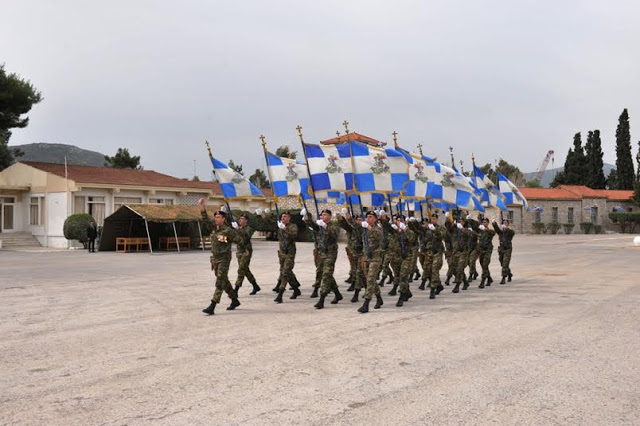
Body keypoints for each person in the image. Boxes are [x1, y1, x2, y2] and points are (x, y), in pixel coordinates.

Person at [200, 206, 241, 315]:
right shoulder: (214, 229)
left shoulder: (228, 231)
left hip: (224, 258)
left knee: (219, 281)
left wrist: (237, 230)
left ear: (223, 219)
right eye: (216, 217)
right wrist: (202, 208)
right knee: (224, 280)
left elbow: (240, 240)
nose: (216, 219)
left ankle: (212, 305)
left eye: (218, 217)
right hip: (215, 258)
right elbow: (205, 220)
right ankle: (234, 300)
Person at [306, 209, 342, 309]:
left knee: (326, 275)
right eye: (322, 215)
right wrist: (307, 217)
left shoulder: (333, 225)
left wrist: (325, 227)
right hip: (321, 253)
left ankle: (322, 299)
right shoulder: (319, 226)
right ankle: (337, 293)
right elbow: (312, 225)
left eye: (325, 215)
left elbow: (334, 235)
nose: (323, 216)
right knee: (324, 273)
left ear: (330, 216)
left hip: (331, 253)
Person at [357, 211, 384, 313]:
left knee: (370, 279)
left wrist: (369, 228)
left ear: (375, 219)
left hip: (375, 258)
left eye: (371, 217)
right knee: (370, 279)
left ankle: (366, 303)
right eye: (367, 217)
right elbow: (352, 225)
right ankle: (379, 298)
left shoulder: (378, 228)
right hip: (367, 258)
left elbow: (378, 236)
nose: (369, 219)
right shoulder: (364, 228)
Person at [337, 210, 365, 303]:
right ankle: (366, 288)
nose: (359, 221)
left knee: (359, 273)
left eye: (361, 220)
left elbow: (357, 226)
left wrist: (349, 218)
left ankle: (356, 293)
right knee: (358, 272)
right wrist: (340, 218)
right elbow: (345, 225)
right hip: (354, 253)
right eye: (357, 220)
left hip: (364, 255)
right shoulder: (353, 229)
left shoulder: (365, 228)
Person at [274, 211, 300, 303]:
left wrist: (285, 228)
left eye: (285, 216)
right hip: (282, 252)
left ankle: (280, 294)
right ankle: (296, 289)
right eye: (282, 216)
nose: (283, 218)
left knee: (285, 272)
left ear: (289, 218)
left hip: (290, 252)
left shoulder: (292, 226)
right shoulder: (280, 226)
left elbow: (293, 236)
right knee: (286, 271)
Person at [233, 214, 260, 296]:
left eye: (242, 219)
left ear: (246, 220)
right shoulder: (238, 228)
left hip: (246, 251)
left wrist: (238, 229)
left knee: (241, 270)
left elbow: (246, 236)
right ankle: (255, 286)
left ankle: (236, 290)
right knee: (245, 270)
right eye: (240, 219)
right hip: (239, 251)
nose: (240, 220)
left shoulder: (249, 228)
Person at [424, 212, 447, 299]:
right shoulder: (428, 228)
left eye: (434, 219)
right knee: (427, 270)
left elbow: (441, 236)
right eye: (432, 219)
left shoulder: (441, 228)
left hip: (438, 252)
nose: (433, 220)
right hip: (429, 252)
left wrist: (435, 230)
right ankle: (439, 285)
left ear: (437, 219)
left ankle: (432, 289)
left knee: (434, 270)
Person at [395, 215, 417, 307]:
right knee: (398, 276)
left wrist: (405, 229)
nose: (398, 222)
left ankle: (401, 295)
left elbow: (412, 239)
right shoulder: (395, 231)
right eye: (397, 221)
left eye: (400, 221)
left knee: (403, 275)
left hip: (407, 256)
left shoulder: (409, 231)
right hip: (397, 256)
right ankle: (407, 292)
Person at [493, 219, 515, 284]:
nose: (504, 224)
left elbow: (512, 233)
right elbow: (496, 229)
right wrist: (494, 223)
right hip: (501, 249)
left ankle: (503, 278)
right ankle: (509, 274)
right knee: (502, 263)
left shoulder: (510, 231)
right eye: (503, 223)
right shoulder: (501, 232)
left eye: (505, 223)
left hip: (507, 249)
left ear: (508, 224)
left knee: (505, 264)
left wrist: (507, 229)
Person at [477, 217, 495, 288]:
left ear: (488, 223)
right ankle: (489, 278)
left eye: (485, 222)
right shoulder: (480, 231)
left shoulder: (490, 231)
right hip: (481, 250)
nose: (484, 223)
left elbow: (493, 233)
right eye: (483, 222)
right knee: (483, 265)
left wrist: (485, 229)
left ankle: (482, 281)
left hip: (487, 250)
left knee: (485, 265)